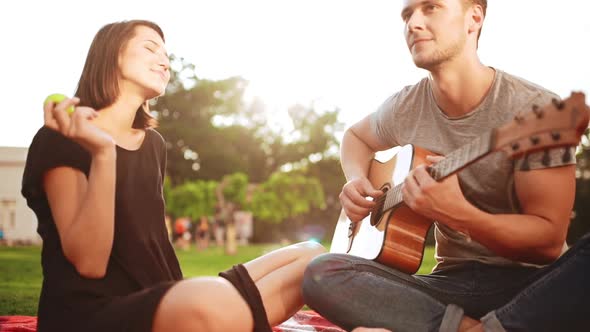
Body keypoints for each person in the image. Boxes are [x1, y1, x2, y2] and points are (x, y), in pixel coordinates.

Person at [21, 19, 325, 332]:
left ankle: (223, 315)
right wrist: (102, 153)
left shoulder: (153, 144)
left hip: (164, 300)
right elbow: (89, 263)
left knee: (312, 260)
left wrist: (177, 292)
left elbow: (154, 244)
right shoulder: (60, 136)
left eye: (166, 55)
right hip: (91, 314)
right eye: (150, 48)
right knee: (214, 300)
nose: (164, 62)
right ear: (112, 55)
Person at [301, 1, 583, 331]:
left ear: (473, 18)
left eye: (430, 7)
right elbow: (355, 138)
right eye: (407, 14)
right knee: (323, 272)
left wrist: (458, 213)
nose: (413, 23)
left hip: (531, 286)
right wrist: (356, 178)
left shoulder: (536, 109)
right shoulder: (407, 106)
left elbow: (548, 244)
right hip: (448, 286)